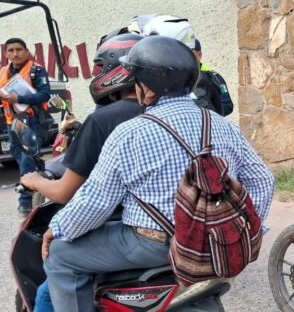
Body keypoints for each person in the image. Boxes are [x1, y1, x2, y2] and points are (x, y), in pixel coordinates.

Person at [41, 36, 275, 311]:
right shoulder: (222, 125)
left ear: (147, 89)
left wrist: (58, 229)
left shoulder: (131, 133)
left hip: (151, 244)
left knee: (60, 255)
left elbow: (96, 201)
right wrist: (237, 230)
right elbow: (263, 180)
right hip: (213, 243)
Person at [19, 33, 145, 312]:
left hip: (125, 228)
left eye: (100, 67)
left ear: (117, 69)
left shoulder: (104, 119)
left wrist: (34, 180)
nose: (97, 74)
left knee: (52, 278)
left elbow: (68, 192)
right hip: (179, 227)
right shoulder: (172, 112)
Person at [0, 38, 52, 216]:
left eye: (19, 49)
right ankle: (44, 175)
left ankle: (25, 200)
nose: (15, 53)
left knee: (26, 157)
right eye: (11, 50)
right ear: (6, 53)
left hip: (32, 121)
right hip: (11, 122)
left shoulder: (36, 70)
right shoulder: (3, 72)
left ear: (27, 51)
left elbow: (45, 95)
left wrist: (19, 99)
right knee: (20, 156)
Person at [192, 38, 234, 116]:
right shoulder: (179, 77)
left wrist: (210, 113)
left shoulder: (215, 78)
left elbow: (227, 105)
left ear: (199, 55)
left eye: (190, 53)